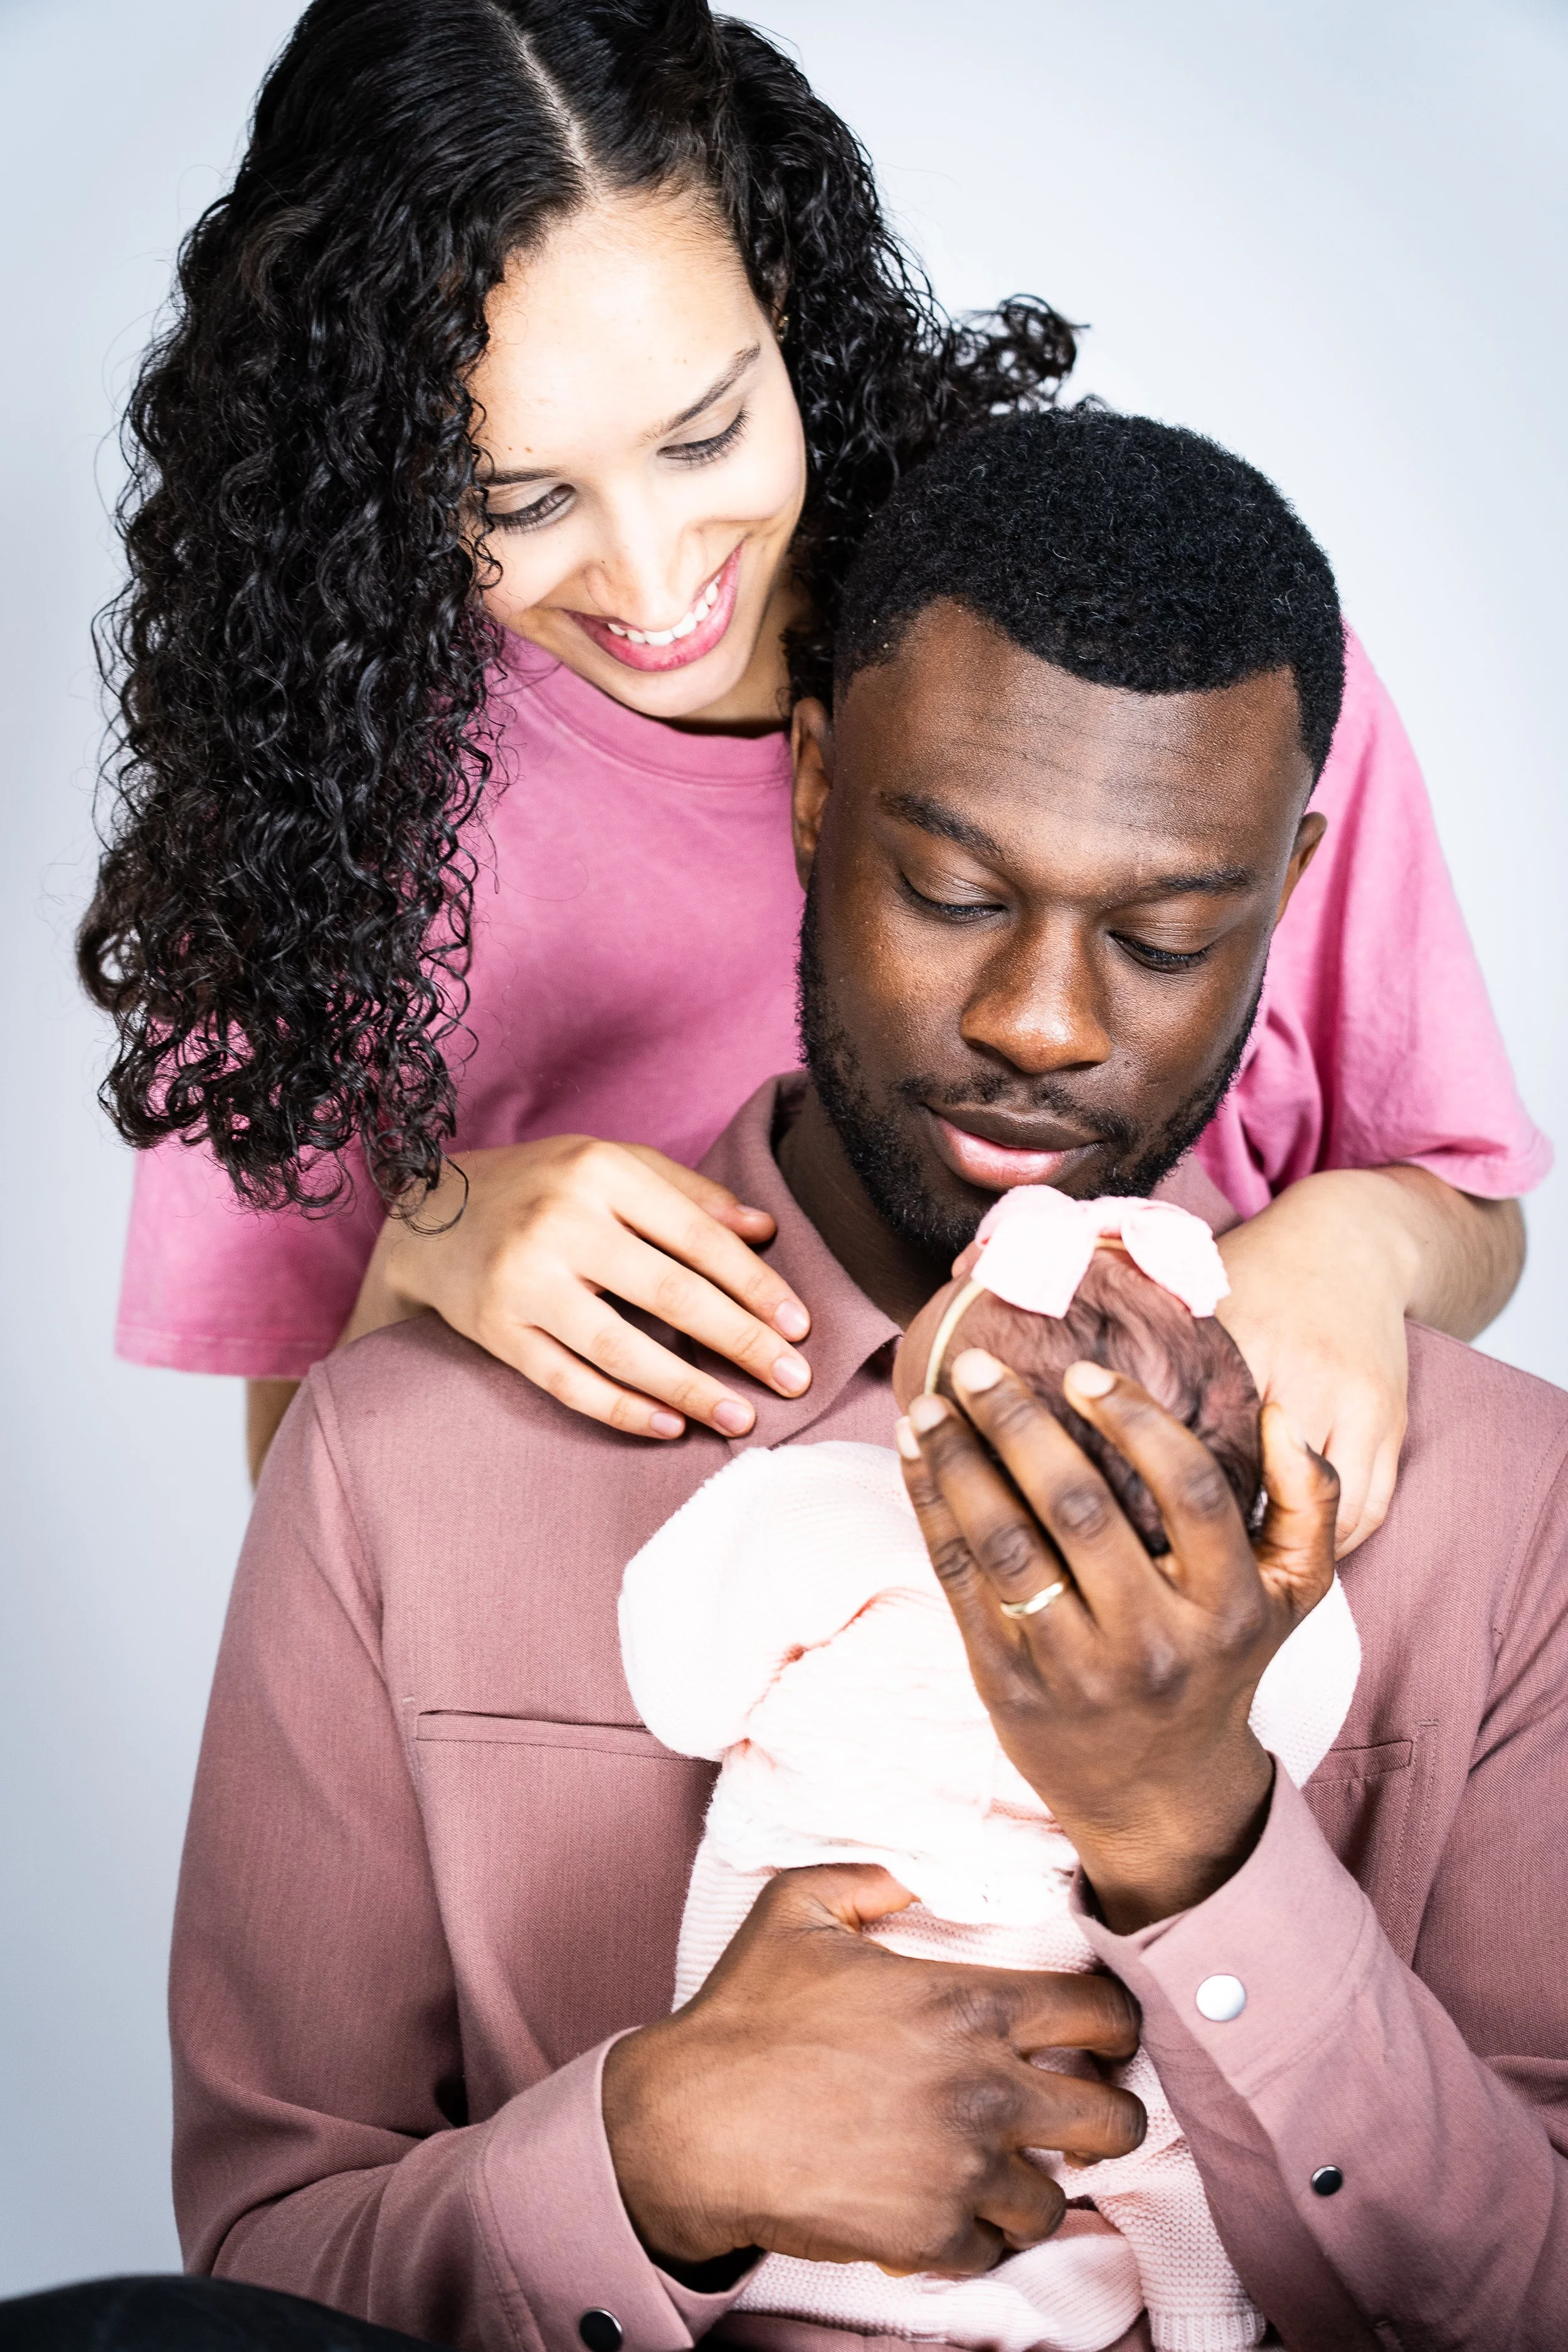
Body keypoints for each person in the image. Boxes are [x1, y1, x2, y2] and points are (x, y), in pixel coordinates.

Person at [155, 413, 1568, 2351]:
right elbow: (249, 2274)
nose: (1041, 1023)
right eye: (956, 894)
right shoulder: (403, 1463)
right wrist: (647, 2154)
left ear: (1288, 882)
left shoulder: (1497, 1502)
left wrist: (1199, 1836)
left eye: (1162, 934)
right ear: (816, 787)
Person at [82, 0, 1542, 1554]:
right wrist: (423, 1250)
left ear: (779, 294)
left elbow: (1469, 1207)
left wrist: (1359, 1245)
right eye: (517, 500)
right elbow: (310, 1519)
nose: (655, 582)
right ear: (372, 462)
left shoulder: (1177, 685)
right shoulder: (304, 804)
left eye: (702, 437)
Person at [619, 1195, 1311, 2352]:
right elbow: (1290, 1731)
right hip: (1067, 1943)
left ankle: (816, 2301)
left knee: (781, 2101)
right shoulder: (1237, 1605)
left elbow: (682, 1688)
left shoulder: (820, 1507)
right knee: (1163, 2143)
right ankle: (1203, 2323)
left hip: (820, 1908)